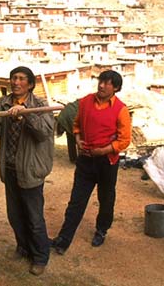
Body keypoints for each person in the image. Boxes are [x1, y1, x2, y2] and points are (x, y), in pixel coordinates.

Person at [0, 66, 54, 276]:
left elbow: (44, 134)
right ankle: (23, 248)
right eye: (13, 78)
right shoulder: (4, 103)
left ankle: (40, 257)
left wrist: (26, 116)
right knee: (15, 215)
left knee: (34, 218)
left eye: (21, 79)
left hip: (30, 170)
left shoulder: (40, 106)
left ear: (29, 84)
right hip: (10, 168)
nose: (16, 82)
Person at [51, 70, 132, 254]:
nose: (102, 85)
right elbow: (77, 123)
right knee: (76, 201)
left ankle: (101, 230)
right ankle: (63, 240)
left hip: (107, 163)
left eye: (108, 83)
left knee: (106, 199)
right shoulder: (86, 101)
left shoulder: (121, 109)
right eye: (101, 81)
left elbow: (124, 140)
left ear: (116, 88)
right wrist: (78, 139)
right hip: (86, 160)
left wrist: (103, 150)